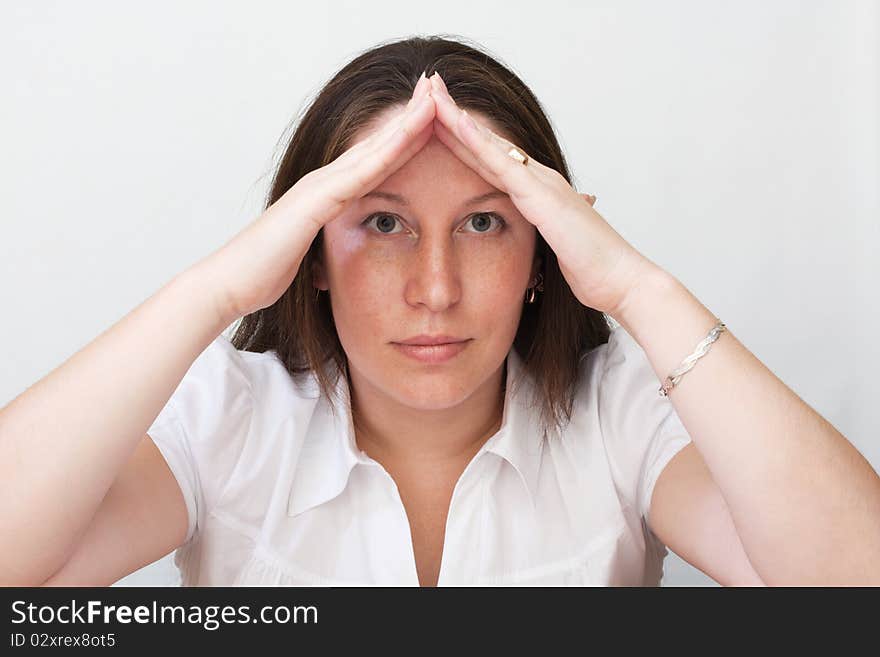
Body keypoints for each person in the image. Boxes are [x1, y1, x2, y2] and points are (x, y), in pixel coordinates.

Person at [2, 36, 878, 587]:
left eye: (485, 223)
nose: (436, 288)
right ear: (307, 250)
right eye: (382, 222)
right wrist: (218, 289)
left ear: (544, 247)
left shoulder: (622, 411)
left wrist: (636, 287)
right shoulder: (230, 416)